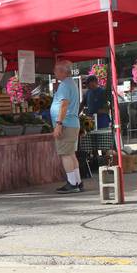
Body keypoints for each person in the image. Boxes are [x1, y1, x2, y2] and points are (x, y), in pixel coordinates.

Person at [51, 60, 82, 194]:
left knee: (65, 155)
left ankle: (72, 183)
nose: (54, 72)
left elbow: (64, 105)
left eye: (56, 70)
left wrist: (58, 124)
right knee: (71, 154)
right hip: (72, 123)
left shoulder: (64, 85)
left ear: (63, 71)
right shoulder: (71, 83)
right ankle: (77, 181)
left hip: (66, 124)